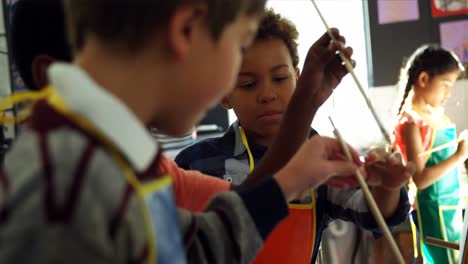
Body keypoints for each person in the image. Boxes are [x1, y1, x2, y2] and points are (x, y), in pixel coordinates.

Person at [0, 0, 376, 263]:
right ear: (185, 30)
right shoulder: (72, 183)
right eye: (240, 42)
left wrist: (293, 175)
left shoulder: (102, 158)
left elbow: (201, 249)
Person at [176, 9, 412, 263]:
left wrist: (388, 187)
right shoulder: (196, 163)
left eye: (279, 78)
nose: (267, 94)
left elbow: (371, 213)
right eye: (247, 84)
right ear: (224, 93)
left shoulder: (319, 156)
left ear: (298, 80)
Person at [393, 45, 468, 264]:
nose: (448, 93)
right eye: (445, 85)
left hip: (450, 205)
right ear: (424, 79)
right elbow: (421, 179)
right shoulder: (412, 123)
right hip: (432, 210)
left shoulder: (435, 116)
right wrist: (459, 156)